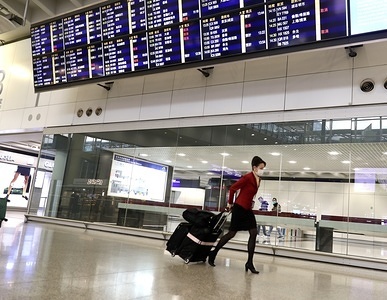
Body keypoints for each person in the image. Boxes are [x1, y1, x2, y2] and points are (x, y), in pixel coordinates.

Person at [208, 156, 266, 274]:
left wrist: (252, 201)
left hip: (248, 209)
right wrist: (230, 203)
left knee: (254, 233)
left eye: (263, 168)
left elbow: (250, 194)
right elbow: (233, 188)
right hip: (239, 208)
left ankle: (249, 262)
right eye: (261, 168)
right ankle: (213, 253)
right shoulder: (247, 177)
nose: (262, 170)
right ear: (254, 167)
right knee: (231, 234)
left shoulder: (259, 179)